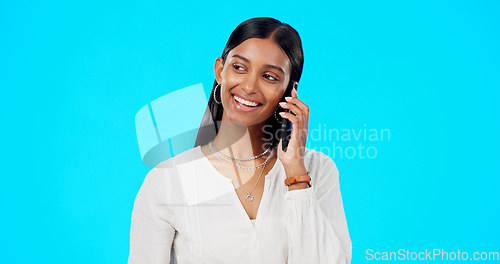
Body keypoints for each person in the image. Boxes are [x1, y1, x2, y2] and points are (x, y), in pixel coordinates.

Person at [128, 17, 352, 264]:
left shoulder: (318, 170)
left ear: (290, 90)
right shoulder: (169, 179)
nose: (249, 86)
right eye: (239, 67)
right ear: (219, 71)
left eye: (269, 76)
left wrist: (295, 174)